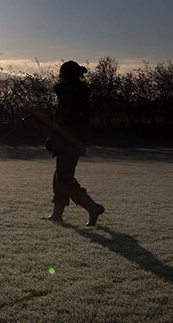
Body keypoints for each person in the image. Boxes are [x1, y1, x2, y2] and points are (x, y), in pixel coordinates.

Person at [42, 60, 105, 226]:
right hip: (72, 141)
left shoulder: (70, 94)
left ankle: (92, 207)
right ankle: (57, 215)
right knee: (59, 178)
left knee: (64, 178)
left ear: (65, 75)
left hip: (68, 142)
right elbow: (61, 119)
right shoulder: (75, 93)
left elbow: (64, 122)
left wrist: (52, 135)